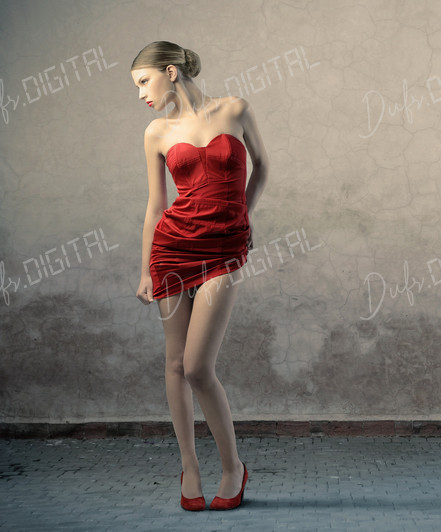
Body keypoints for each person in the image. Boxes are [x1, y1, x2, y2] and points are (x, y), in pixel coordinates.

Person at [130, 41, 268, 511]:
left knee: (197, 368)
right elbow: (156, 206)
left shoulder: (235, 109)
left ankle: (233, 468)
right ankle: (189, 466)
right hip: (172, 250)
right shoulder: (157, 132)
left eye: (144, 81)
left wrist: (245, 215)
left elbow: (263, 167)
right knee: (174, 364)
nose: (141, 94)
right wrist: (145, 270)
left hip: (224, 250)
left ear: (170, 71)